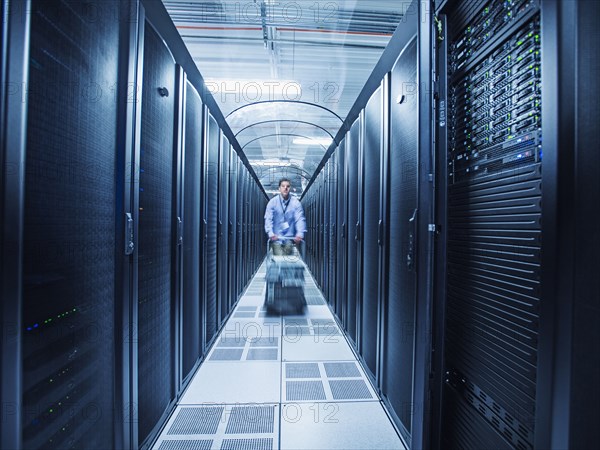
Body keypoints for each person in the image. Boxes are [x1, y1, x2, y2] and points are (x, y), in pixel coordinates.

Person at [264, 178, 306, 256]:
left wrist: (300, 233)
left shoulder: (296, 203)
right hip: (276, 238)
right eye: (283, 186)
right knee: (279, 256)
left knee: (287, 257)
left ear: (290, 188)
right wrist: (270, 233)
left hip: (289, 238)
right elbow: (268, 218)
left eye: (288, 186)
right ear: (279, 188)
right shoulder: (272, 203)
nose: (285, 188)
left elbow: (300, 218)